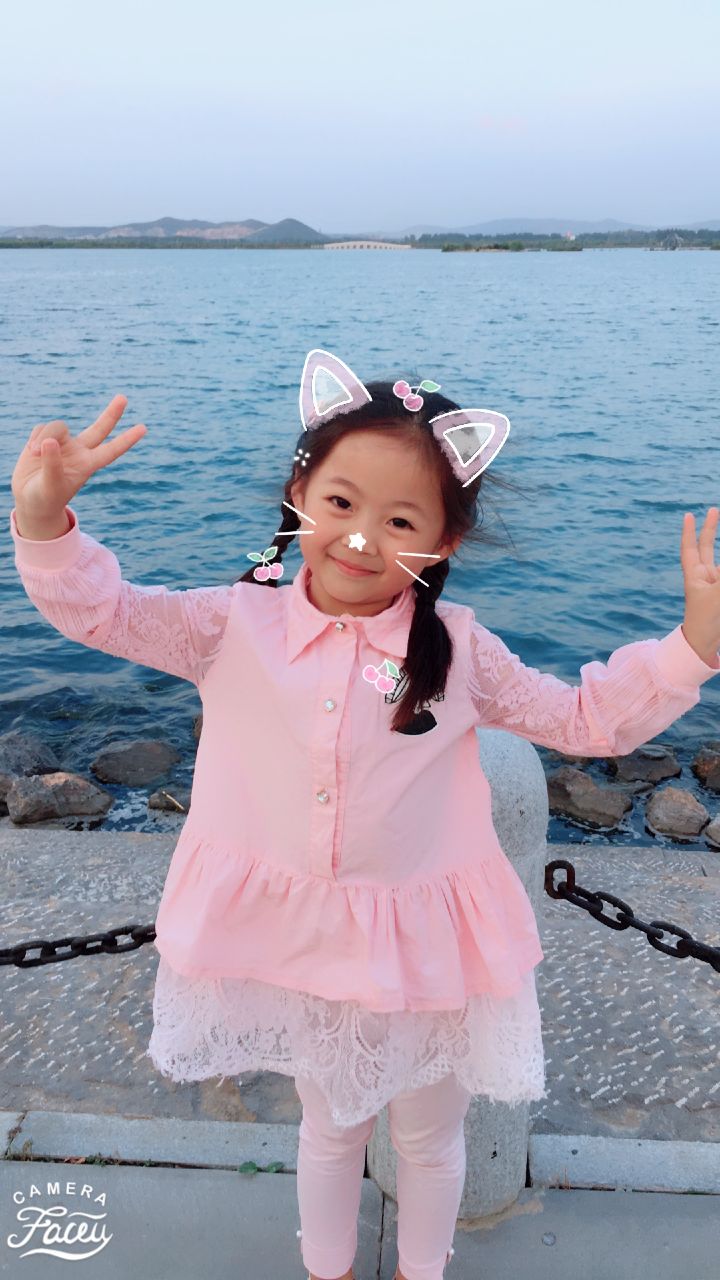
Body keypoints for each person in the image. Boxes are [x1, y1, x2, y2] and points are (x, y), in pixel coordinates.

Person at [9, 350, 720, 1280]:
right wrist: (42, 518)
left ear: (444, 541)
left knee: (429, 1137)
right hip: (302, 939)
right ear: (299, 492)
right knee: (329, 1126)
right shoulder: (230, 622)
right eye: (340, 502)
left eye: (400, 520)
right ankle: (330, 1269)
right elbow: (101, 612)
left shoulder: (459, 651)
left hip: (428, 947)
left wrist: (692, 645)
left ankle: (423, 1270)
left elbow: (586, 718)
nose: (359, 539)